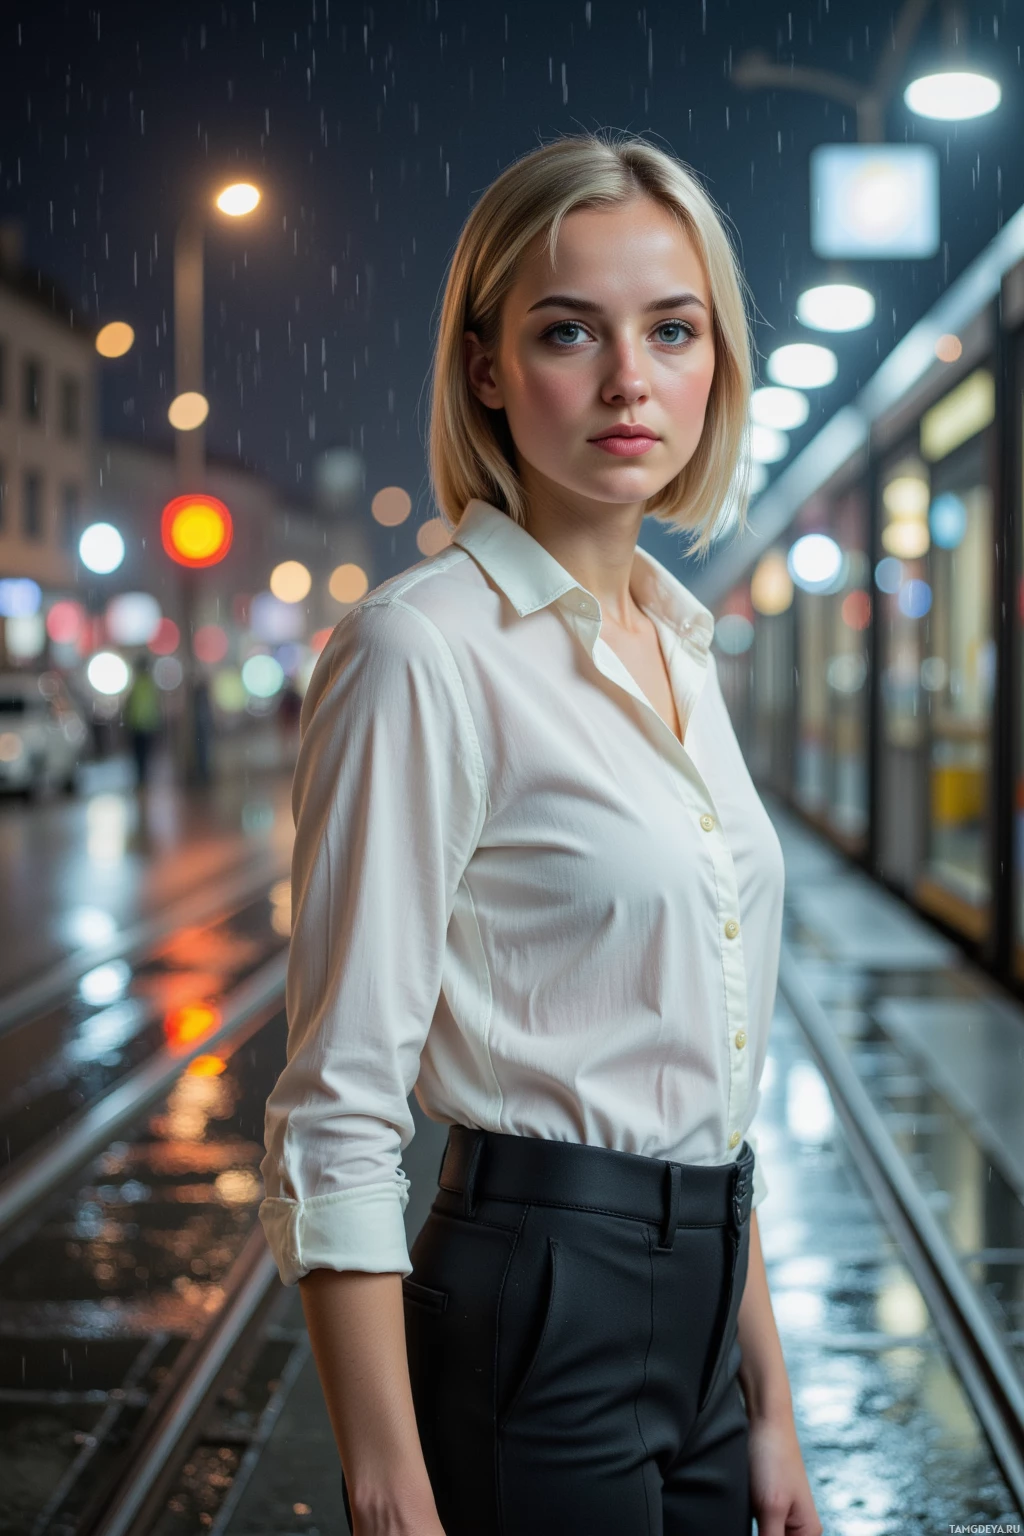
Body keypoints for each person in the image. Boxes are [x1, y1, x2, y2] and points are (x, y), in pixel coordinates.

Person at [259, 131, 823, 1536]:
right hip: (534, 1316)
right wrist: (390, 1493)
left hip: (707, 1318)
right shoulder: (420, 649)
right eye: (572, 330)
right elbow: (338, 1106)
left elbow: (713, 1078)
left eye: (674, 330)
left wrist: (770, 1403)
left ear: (716, 366)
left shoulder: (682, 650)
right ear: (488, 369)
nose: (632, 381)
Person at [123, 653, 161, 788]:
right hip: (146, 725)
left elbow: (129, 705)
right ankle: (143, 777)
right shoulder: (150, 685)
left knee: (139, 755)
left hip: (137, 725)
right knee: (144, 754)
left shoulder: (135, 684)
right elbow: (156, 705)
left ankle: (141, 777)